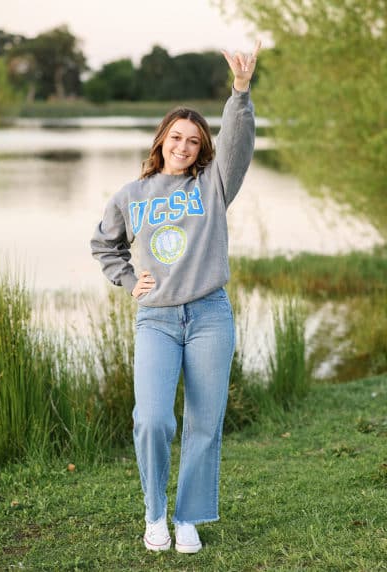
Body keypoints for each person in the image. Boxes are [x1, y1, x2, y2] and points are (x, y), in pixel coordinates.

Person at [90, 41, 261, 554]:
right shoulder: (129, 195)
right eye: (176, 137)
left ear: (201, 148)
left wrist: (241, 92)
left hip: (210, 315)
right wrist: (126, 280)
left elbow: (238, 143)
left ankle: (188, 518)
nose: (184, 146)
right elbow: (104, 245)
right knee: (153, 419)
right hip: (157, 321)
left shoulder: (213, 184)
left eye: (193, 140)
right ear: (161, 139)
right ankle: (155, 514)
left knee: (204, 423)